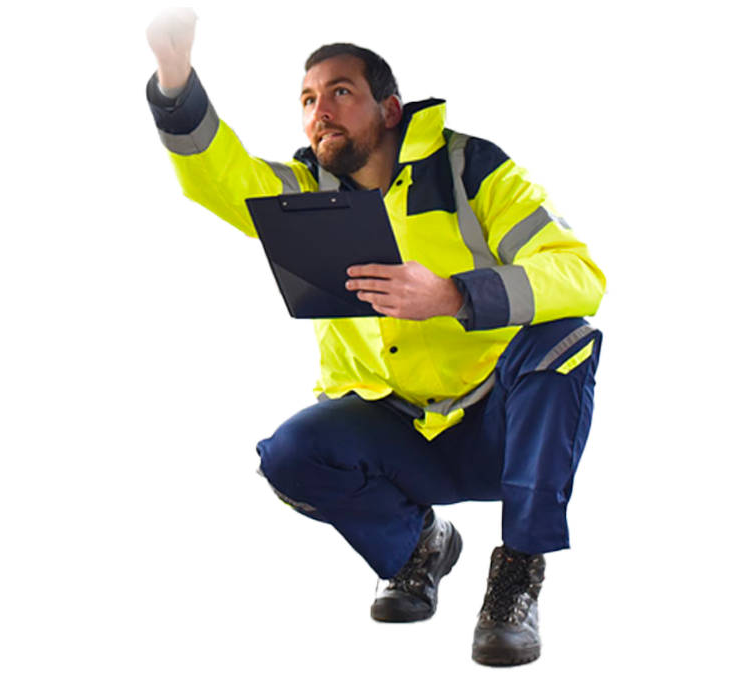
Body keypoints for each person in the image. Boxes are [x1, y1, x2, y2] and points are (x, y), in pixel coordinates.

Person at [145, 7, 606, 667]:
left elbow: (580, 275)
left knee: (566, 338)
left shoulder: (471, 168)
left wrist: (455, 295)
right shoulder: (302, 191)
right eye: (308, 100)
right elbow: (217, 177)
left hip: (502, 423)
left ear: (390, 109)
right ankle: (418, 546)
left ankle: (517, 570)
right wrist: (175, 75)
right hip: (395, 433)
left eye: (340, 92)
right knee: (290, 454)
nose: (319, 111)